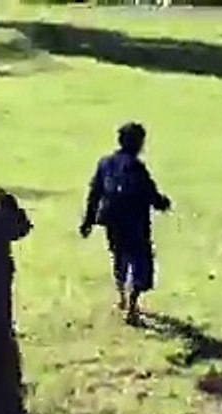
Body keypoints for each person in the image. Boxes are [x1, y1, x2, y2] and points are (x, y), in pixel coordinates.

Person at [79, 121, 172, 325]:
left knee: (119, 255)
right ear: (139, 144)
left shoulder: (105, 164)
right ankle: (132, 304)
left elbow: (95, 193)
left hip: (112, 219)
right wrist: (163, 203)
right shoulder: (137, 168)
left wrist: (87, 221)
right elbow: (151, 195)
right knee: (140, 262)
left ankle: (121, 295)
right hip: (135, 223)